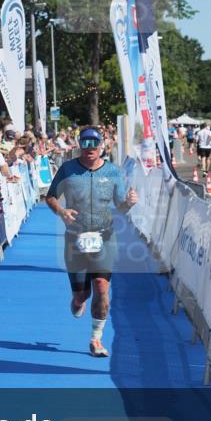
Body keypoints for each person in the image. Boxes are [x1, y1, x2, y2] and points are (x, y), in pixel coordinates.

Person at [45, 127, 138, 357]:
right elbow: (50, 196)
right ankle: (78, 299)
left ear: (102, 146)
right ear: (79, 145)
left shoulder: (114, 172)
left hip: (105, 236)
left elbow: (121, 205)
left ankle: (96, 339)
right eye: (85, 144)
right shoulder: (68, 169)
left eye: (94, 144)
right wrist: (62, 211)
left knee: (101, 286)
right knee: (82, 295)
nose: (90, 148)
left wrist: (129, 202)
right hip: (75, 238)